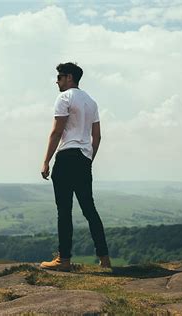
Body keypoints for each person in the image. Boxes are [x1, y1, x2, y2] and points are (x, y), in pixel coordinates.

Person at [40, 62, 111, 272]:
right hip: (83, 159)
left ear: (69, 77)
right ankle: (104, 258)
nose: (57, 81)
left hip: (66, 157)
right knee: (90, 210)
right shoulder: (91, 102)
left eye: (60, 77)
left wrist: (46, 161)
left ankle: (64, 259)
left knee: (64, 210)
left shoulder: (64, 98)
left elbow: (56, 132)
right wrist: (89, 158)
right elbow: (96, 136)